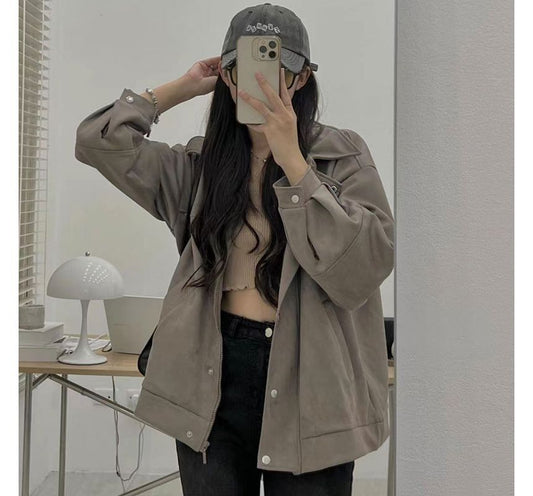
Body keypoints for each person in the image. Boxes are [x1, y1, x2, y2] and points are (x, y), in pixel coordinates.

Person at [74, 3, 394, 495]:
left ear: (302, 79)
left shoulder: (342, 156)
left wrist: (294, 162)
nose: (264, 83)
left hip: (313, 378)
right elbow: (98, 142)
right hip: (213, 371)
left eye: (280, 70)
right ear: (227, 75)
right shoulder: (200, 166)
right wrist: (181, 87)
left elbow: (365, 265)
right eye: (247, 69)